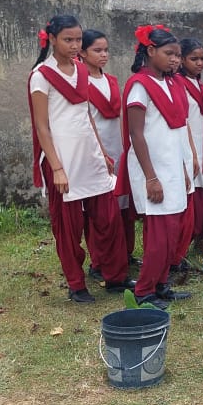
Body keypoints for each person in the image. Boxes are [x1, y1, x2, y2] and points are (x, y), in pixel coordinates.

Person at [27, 15, 129, 304]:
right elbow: (42, 126)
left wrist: (101, 152)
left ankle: (114, 276)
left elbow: (86, 115)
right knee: (68, 226)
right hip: (62, 157)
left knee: (108, 219)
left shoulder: (82, 71)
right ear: (52, 40)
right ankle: (76, 283)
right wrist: (56, 168)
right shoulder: (40, 76)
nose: (74, 45)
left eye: (77, 40)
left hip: (89, 154)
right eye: (67, 39)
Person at [119, 24, 195, 310]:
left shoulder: (173, 83)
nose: (175, 59)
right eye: (169, 53)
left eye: (178, 55)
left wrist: (185, 168)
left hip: (173, 166)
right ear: (150, 51)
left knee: (172, 231)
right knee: (158, 235)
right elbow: (136, 134)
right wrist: (151, 177)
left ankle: (161, 284)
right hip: (152, 168)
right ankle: (144, 290)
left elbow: (178, 131)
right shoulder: (140, 85)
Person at [80, 29, 138, 274]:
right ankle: (100, 260)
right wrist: (100, 151)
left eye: (106, 50)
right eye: (97, 50)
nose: (103, 55)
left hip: (118, 146)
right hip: (95, 149)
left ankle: (124, 252)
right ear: (82, 52)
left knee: (122, 206)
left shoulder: (111, 80)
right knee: (100, 210)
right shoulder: (79, 81)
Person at [174, 38, 203, 256]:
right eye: (193, 59)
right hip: (188, 145)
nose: (199, 63)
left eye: (202, 59)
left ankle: (200, 239)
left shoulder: (201, 85)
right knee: (190, 197)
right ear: (182, 60)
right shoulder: (178, 83)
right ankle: (183, 243)